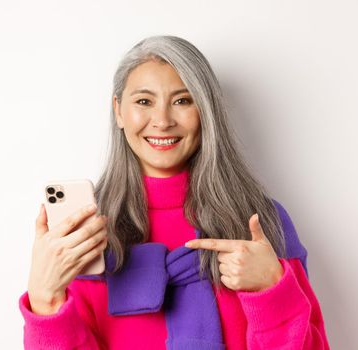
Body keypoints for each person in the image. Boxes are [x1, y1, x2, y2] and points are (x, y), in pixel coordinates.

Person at [18, 35, 330, 349]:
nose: (163, 121)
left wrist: (272, 291)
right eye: (144, 101)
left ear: (205, 111)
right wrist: (44, 302)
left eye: (182, 100)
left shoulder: (261, 223)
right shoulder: (83, 232)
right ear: (119, 111)